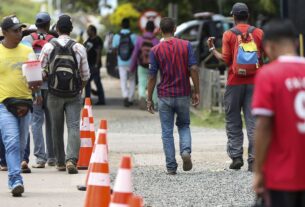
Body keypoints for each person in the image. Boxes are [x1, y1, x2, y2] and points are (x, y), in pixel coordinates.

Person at [252, 19, 305, 207]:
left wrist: (258, 171)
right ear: (297, 43)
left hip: (282, 173)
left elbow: (263, 126)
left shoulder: (268, 74)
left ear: (268, 47)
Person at [207, 2, 264, 171]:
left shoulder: (229, 35)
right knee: (253, 121)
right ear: (248, 15)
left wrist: (212, 49)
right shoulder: (259, 33)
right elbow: (266, 56)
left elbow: (225, 59)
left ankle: (237, 156)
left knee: (233, 120)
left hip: (234, 83)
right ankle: (254, 160)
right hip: (255, 83)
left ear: (233, 17)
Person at [147, 17, 200, 175]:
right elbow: (194, 68)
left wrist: (149, 98)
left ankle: (171, 166)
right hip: (183, 93)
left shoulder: (155, 50)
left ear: (160, 31)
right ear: (175, 28)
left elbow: (151, 77)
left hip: (164, 95)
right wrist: (196, 91)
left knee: (167, 131)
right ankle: (185, 151)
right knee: (184, 125)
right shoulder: (186, 45)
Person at [40, 14, 90, 174]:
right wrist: (79, 88)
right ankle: (71, 160)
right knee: (74, 126)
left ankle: (60, 162)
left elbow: (41, 71)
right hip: (73, 93)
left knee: (56, 127)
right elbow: (85, 75)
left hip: (53, 93)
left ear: (56, 29)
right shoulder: (79, 47)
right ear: (71, 30)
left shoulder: (48, 46)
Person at [0, 15, 39, 196]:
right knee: (12, 142)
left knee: (21, 144)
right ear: (5, 32)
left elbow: (35, 80)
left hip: (25, 103)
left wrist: (36, 89)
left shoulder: (27, 51)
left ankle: (14, 175)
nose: (19, 33)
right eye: (15, 30)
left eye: (20, 29)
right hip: (4, 105)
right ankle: (15, 179)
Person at [22, 12, 56, 169]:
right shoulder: (54, 41)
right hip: (51, 87)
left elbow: (26, 64)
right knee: (51, 121)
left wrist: (34, 90)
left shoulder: (26, 40)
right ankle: (52, 157)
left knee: (36, 122)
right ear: (49, 24)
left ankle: (40, 158)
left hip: (34, 86)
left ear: (36, 24)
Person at [130, 21, 159, 110]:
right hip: (152, 66)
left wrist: (132, 67)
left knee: (142, 83)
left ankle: (142, 99)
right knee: (153, 83)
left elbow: (135, 54)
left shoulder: (139, 39)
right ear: (154, 29)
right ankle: (155, 103)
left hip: (142, 65)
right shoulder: (156, 40)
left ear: (145, 28)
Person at [112, 18, 137, 107]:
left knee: (123, 80)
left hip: (121, 62)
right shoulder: (134, 36)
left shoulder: (116, 36)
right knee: (132, 80)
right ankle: (130, 98)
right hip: (131, 62)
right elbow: (136, 50)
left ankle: (125, 96)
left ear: (121, 25)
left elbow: (114, 49)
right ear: (129, 25)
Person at [84, 25, 106, 105]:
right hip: (88, 64)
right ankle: (88, 99)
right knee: (87, 82)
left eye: (88, 30)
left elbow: (98, 53)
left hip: (94, 65)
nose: (87, 32)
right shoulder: (89, 39)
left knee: (97, 82)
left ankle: (101, 100)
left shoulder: (98, 40)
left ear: (93, 31)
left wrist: (96, 65)